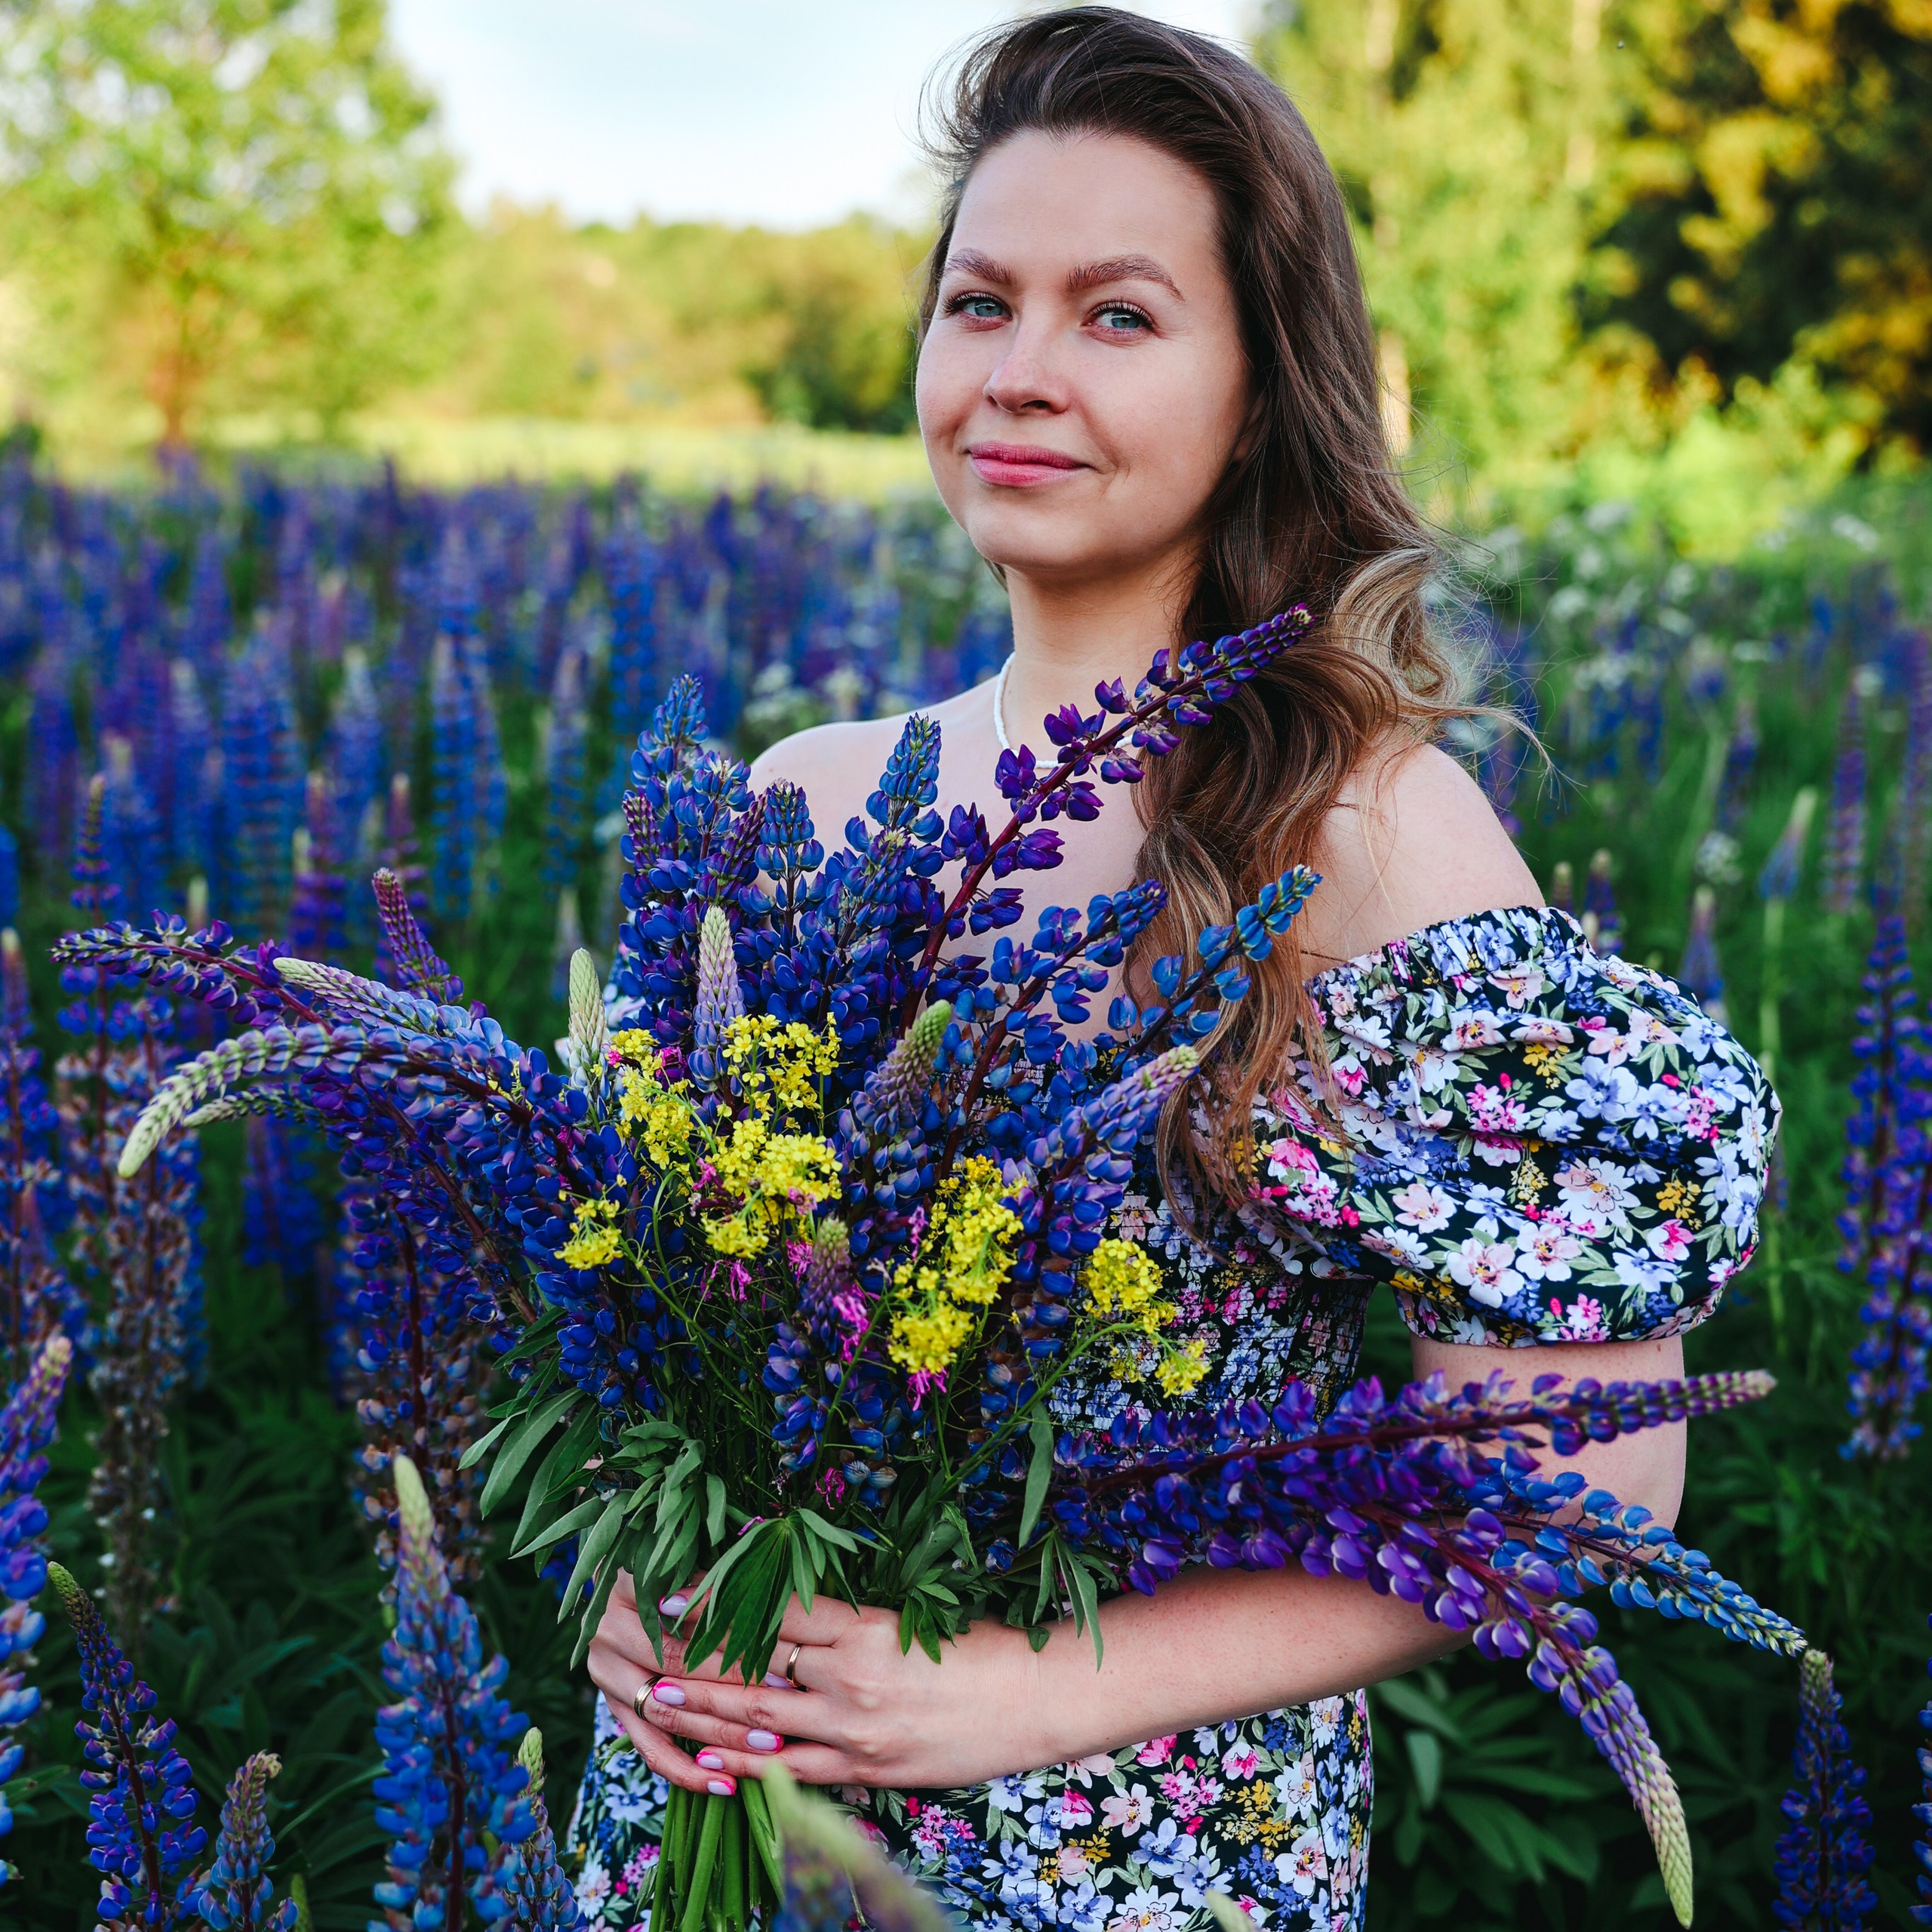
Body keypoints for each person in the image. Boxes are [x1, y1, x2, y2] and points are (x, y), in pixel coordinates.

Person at [566, 11, 1776, 1928]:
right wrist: (639, 1584)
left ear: (1259, 380)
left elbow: (1598, 1476)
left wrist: (1017, 1690)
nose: (1019, 373)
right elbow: (690, 1352)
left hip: (1125, 1843)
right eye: (979, 303)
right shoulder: (801, 801)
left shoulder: (1362, 826)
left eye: (1115, 316)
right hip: (722, 1820)